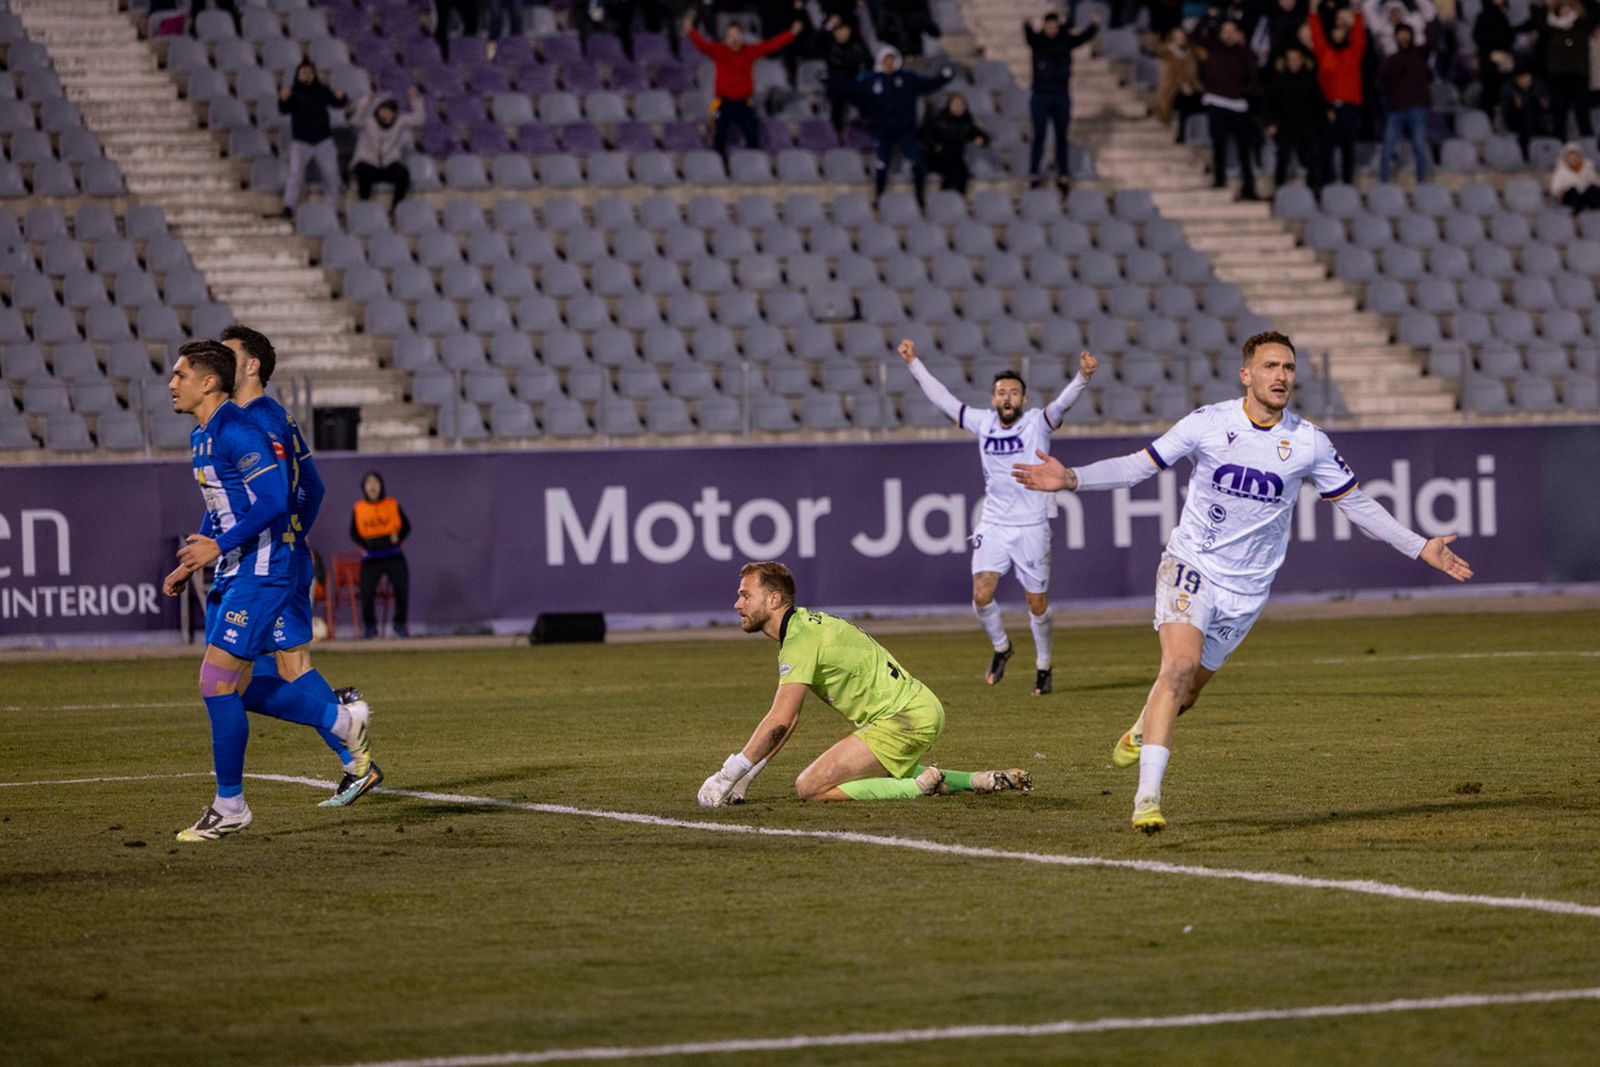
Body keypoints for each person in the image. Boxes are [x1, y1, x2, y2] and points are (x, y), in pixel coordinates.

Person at [1011, 332, 1473, 833]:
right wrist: (1072, 478)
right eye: (1271, 366)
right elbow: (1138, 467)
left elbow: (1356, 505)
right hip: (1191, 566)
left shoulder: (1308, 441)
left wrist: (1418, 544)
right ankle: (1147, 798)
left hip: (1248, 591)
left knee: (1186, 693)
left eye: (1289, 368)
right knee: (1179, 666)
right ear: (1246, 375)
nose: (1281, 376)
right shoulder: (1208, 424)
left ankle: (1146, 726)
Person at [161, 341, 373, 841]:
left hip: (264, 567)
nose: (172, 384)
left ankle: (231, 805)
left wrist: (222, 547)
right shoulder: (202, 436)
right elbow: (222, 506)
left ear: (208, 381)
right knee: (233, 686)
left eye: (180, 374)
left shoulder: (244, 427)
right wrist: (197, 556)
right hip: (237, 568)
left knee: (220, 682)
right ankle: (340, 723)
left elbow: (277, 498)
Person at [696, 561, 1033, 806]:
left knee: (810, 787)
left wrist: (727, 774)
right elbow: (789, 721)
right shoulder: (800, 631)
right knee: (869, 771)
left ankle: (917, 788)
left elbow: (780, 720)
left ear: (773, 600)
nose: (737, 604)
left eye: (745, 595)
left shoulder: (799, 639)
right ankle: (978, 780)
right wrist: (748, 776)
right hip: (917, 709)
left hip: (902, 718)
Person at [221, 324, 384, 807]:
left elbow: (293, 491)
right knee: (287, 667)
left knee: (242, 677)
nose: (217, 362)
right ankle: (351, 742)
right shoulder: (277, 417)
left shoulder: (257, 421)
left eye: (227, 355)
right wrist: (296, 532)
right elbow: (313, 485)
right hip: (285, 554)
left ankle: (353, 746)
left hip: (273, 560)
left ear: (252, 365)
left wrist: (283, 535)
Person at [897, 338, 1098, 695]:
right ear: (993, 399)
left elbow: (1061, 403)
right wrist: (914, 363)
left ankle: (1044, 665)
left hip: (1033, 526)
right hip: (994, 524)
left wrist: (1082, 377)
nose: (1007, 397)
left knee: (1037, 605)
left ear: (1024, 400)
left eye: (1014, 392)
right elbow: (943, 399)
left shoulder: (1038, 422)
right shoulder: (983, 423)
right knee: (981, 595)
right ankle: (1003, 647)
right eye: (1001, 392)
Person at [684, 13, 801, 159]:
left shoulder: (750, 51)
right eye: (731, 35)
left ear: (741, 36)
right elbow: (702, 45)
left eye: (737, 35)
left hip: (744, 102)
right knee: (719, 134)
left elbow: (771, 45)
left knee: (752, 133)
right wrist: (690, 30)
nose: (734, 38)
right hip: (724, 102)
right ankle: (720, 164)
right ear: (725, 38)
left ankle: (751, 163)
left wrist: (791, 34)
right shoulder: (718, 51)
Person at [853, 45, 954, 207]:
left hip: (905, 131)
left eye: (892, 60)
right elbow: (851, 91)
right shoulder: (870, 80)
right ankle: (879, 197)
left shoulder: (908, 78)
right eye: (886, 60)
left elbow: (929, 85)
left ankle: (920, 198)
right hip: (883, 131)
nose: (889, 64)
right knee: (881, 165)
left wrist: (944, 77)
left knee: (917, 163)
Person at [1024, 11, 1101, 193]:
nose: (1051, 28)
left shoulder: (1065, 41)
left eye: (1054, 25)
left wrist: (1094, 26)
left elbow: (1083, 37)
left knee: (1061, 136)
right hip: (1040, 95)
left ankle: (1063, 172)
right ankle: (1034, 171)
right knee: (1039, 134)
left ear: (1058, 26)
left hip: (1061, 95)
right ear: (1044, 26)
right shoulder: (1037, 41)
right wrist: (1027, 24)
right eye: (1047, 25)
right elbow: (1028, 35)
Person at [1194, 14, 1260, 200]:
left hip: (1238, 105)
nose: (1228, 35)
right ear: (1220, 33)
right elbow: (1196, 35)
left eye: (1232, 31)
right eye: (1225, 31)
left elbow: (1254, 78)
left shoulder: (1245, 53)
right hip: (1216, 102)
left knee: (1244, 148)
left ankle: (1249, 186)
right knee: (1219, 144)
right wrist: (1208, 17)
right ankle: (1219, 180)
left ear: (1238, 34)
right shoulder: (1213, 48)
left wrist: (1241, 92)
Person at [277, 62, 348, 219]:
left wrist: (342, 97)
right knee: (295, 174)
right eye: (303, 72)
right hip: (301, 142)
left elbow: (337, 103)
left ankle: (330, 209)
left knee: (331, 175)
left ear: (314, 74)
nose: (307, 75)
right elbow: (283, 109)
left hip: (323, 140)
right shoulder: (293, 92)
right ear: (298, 75)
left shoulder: (322, 90)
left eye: (310, 72)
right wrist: (282, 99)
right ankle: (288, 207)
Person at [1307, 0, 1367, 185]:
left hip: (1350, 106)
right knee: (1327, 146)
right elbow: (1316, 34)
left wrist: (1357, 10)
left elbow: (1360, 35)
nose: (1337, 34)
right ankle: (1328, 181)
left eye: (1341, 31)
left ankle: (1348, 182)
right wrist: (1313, 10)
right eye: (1334, 31)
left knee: (1348, 147)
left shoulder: (1353, 52)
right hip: (1329, 107)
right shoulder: (1325, 53)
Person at [351, 471, 412, 639]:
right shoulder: (359, 508)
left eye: (375, 482)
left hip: (393, 555)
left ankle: (399, 625)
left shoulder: (392, 504)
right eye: (369, 483)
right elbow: (353, 532)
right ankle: (370, 628)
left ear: (381, 485)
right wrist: (365, 544)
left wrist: (397, 538)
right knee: (367, 592)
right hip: (371, 558)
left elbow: (406, 526)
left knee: (401, 589)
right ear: (364, 487)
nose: (372, 486)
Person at [350, 87, 425, 214]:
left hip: (387, 164)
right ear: (378, 110)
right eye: (383, 110)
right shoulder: (368, 121)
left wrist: (415, 99)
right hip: (367, 161)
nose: (386, 114)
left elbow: (419, 120)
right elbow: (354, 121)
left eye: (390, 112)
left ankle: (396, 209)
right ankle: (365, 210)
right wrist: (365, 101)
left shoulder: (400, 121)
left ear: (394, 114)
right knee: (363, 173)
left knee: (403, 173)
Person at [1266, 47, 1329, 190]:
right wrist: (1270, 122)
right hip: (1285, 127)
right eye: (1290, 59)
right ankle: (1279, 189)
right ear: (1286, 62)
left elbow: (1319, 103)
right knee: (1283, 157)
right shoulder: (1278, 81)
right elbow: (1269, 104)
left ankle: (1313, 191)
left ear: (1302, 61)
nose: (1293, 62)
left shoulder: (1310, 80)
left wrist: (1327, 113)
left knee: (1314, 157)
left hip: (1307, 127)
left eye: (1296, 59)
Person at [1376, 23, 1432, 182]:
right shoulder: (1390, 60)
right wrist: (1390, 95)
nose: (1403, 37)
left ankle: (1422, 185)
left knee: (1420, 148)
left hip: (1417, 108)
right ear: (1395, 37)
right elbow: (1380, 83)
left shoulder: (1421, 54)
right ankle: (1384, 184)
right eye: (1400, 34)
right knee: (1387, 149)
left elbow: (1432, 37)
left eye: (1406, 33)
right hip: (1396, 110)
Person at [1535, 0, 1594, 142]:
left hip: (1578, 75)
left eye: (1569, 7)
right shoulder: (1551, 29)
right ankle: (1559, 142)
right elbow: (1539, 24)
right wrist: (1538, 7)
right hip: (1558, 76)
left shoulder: (1581, 25)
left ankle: (1589, 143)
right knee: (1559, 111)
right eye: (1562, 7)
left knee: (1582, 112)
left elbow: (1594, 14)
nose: (1565, 10)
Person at [919, 93, 988, 195]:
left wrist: (981, 139)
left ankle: (957, 200)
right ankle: (946, 199)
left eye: (961, 104)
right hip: (936, 157)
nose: (958, 107)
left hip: (955, 158)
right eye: (955, 104)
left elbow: (976, 134)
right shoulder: (939, 119)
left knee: (961, 172)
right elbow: (924, 134)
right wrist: (935, 145)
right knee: (953, 172)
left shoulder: (966, 121)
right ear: (949, 105)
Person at [821, 13, 873, 138]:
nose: (842, 33)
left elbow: (869, 62)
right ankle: (836, 131)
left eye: (844, 29)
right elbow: (818, 40)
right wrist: (828, 26)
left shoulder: (857, 45)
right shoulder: (828, 45)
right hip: (836, 83)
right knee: (838, 94)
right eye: (838, 30)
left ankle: (868, 127)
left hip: (854, 81)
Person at [1152, 26, 1205, 143]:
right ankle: (1181, 134)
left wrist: (1191, 86)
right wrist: (1182, 86)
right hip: (1171, 91)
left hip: (1193, 89)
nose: (1181, 40)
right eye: (1177, 38)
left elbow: (1205, 58)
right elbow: (1171, 79)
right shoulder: (1167, 54)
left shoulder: (1193, 52)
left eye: (1182, 37)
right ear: (1172, 40)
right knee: (1183, 101)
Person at [1473, 0, 1521, 122]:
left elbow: (1509, 36)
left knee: (1505, 91)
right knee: (1490, 93)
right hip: (1490, 60)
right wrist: (1493, 51)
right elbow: (1479, 37)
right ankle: (1488, 120)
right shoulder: (1484, 16)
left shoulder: (1504, 15)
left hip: (1504, 59)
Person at [1500, 66, 1552, 160]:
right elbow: (1504, 107)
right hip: (1516, 119)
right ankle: (1525, 154)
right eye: (1522, 78)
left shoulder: (1537, 85)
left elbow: (1545, 101)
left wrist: (1543, 101)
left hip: (1536, 118)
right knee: (1524, 118)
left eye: (1527, 78)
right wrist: (1514, 100)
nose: (1525, 81)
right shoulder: (1509, 87)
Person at [1362, 0, 1436, 55]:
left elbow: (1429, 11)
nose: (1395, 14)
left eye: (1397, 11)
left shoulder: (1414, 21)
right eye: (1392, 12)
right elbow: (1367, 8)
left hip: (1418, 60)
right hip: (1393, 67)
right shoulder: (1381, 27)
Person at [1550, 140, 1600, 212]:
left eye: (1576, 155)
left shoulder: (1588, 168)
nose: (1573, 158)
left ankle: (1595, 211)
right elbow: (1555, 189)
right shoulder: (1560, 171)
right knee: (1572, 191)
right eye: (1570, 156)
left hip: (1585, 196)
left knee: (1592, 189)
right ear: (1565, 158)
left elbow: (1595, 182)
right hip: (1570, 198)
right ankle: (1576, 214)